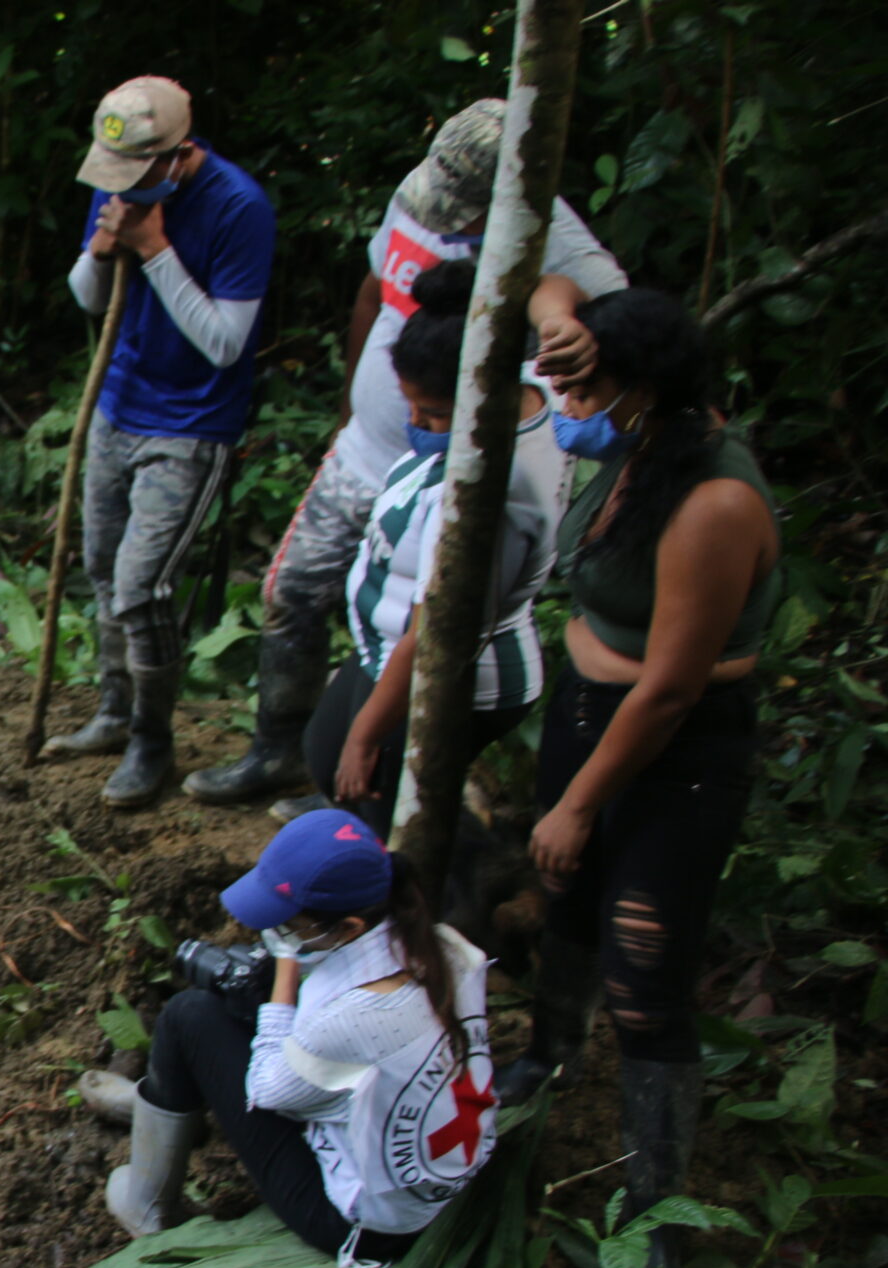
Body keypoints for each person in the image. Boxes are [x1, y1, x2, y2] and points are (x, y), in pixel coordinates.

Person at [184, 96, 628, 810]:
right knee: (291, 593)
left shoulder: (565, 251)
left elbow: (612, 359)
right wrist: (350, 407)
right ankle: (281, 751)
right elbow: (372, 291)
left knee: (419, 629)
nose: (440, 213)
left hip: (459, 479)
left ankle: (375, 783)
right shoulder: (423, 191)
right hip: (371, 449)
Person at [492, 289, 778, 1255]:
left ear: (644, 389)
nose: (567, 402)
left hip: (675, 749)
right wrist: (562, 327)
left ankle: (658, 1200)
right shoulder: (632, 445)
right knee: (566, 901)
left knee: (646, 965)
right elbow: (547, 280)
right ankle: (548, 1059)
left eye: (585, 384)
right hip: (583, 714)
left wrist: (578, 802)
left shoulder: (714, 500)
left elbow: (669, 688)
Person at [84, 812, 498, 1268]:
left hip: (371, 1229)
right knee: (243, 1017)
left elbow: (267, 1091)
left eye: (288, 925)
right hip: (449, 1179)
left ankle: (146, 1204)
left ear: (350, 927)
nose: (279, 933)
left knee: (188, 1015)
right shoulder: (444, 949)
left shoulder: (352, 1017)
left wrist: (283, 970)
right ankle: (165, 1108)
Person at [44, 75, 276, 808]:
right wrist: (108, 242)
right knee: (104, 569)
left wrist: (154, 249)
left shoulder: (239, 207)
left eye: (143, 172)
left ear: (179, 155)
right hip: (119, 403)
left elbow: (224, 344)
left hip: (190, 423)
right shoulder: (120, 181)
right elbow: (86, 296)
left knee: (143, 588)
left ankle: (152, 739)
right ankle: (113, 713)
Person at [306, 259, 570, 837]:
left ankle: (444, 906)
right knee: (332, 764)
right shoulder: (525, 389)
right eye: (414, 410)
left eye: (435, 415)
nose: (419, 425)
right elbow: (551, 287)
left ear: (484, 395)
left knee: (390, 816)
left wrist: (367, 734)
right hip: (391, 651)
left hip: (451, 674)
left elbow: (436, 630)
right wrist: (557, 317)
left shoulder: (487, 498)